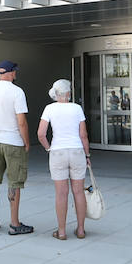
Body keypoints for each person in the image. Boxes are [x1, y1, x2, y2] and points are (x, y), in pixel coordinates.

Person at [0, 60, 32, 235]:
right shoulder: (17, 92)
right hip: (13, 141)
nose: (16, 75)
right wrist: (26, 141)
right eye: (15, 72)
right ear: (10, 73)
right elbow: (21, 122)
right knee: (14, 181)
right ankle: (14, 223)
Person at [37, 79, 90, 240]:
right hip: (76, 152)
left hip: (58, 152)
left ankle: (61, 231)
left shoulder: (49, 109)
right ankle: (80, 230)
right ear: (68, 93)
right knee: (79, 192)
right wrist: (87, 155)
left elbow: (41, 134)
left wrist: (48, 149)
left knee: (61, 194)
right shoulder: (77, 108)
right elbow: (83, 135)